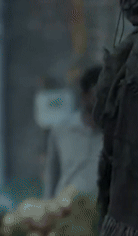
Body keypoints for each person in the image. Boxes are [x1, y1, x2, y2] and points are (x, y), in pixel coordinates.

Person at [43, 66, 104, 200]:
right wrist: (48, 206)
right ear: (85, 96)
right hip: (66, 209)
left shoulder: (115, 135)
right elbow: (52, 177)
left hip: (101, 208)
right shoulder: (62, 131)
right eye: (98, 94)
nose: (103, 101)